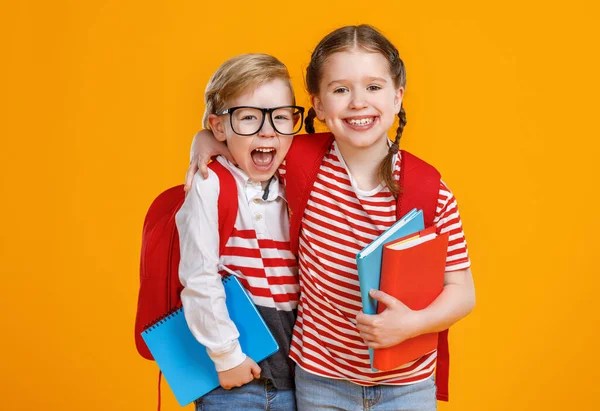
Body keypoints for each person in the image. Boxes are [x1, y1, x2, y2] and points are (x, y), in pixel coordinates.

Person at [186, 25, 475, 411]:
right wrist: (207, 139)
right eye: (341, 90)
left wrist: (413, 324)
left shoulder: (431, 191)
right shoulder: (298, 163)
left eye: (373, 87)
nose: (358, 102)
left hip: (407, 383)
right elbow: (251, 141)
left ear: (398, 97)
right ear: (318, 106)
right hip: (320, 381)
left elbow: (462, 291)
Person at [175, 53, 305, 411]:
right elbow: (199, 277)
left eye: (280, 117)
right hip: (237, 380)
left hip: (299, 377)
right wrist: (225, 354)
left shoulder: (295, 177)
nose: (267, 130)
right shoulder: (210, 184)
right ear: (220, 127)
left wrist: (206, 136)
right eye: (248, 117)